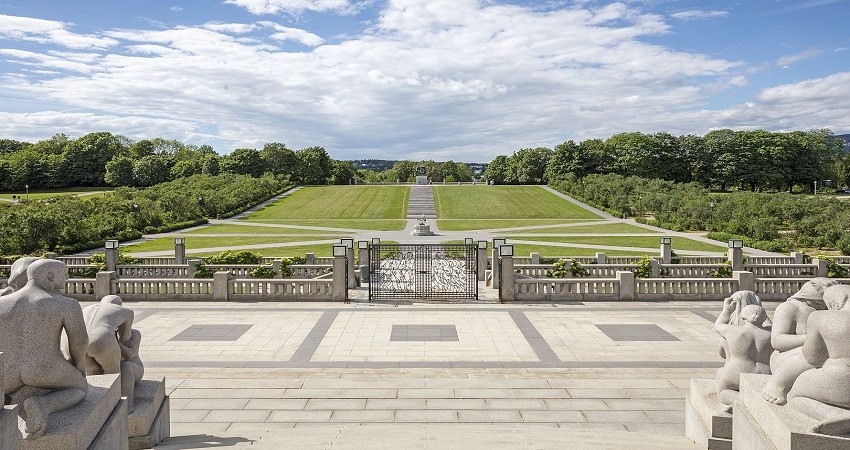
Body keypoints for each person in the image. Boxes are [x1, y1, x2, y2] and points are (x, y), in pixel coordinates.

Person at [0, 259, 88, 439]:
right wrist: (78, 365)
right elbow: (79, 341)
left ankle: (12, 395)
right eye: (64, 273)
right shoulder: (66, 304)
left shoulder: (2, 302)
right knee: (80, 387)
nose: (68, 278)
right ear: (50, 276)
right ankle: (43, 405)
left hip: (6, 373)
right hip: (42, 369)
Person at [762, 278, 839, 405]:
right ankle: (778, 385)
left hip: (816, 359)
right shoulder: (789, 307)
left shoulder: (826, 311)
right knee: (816, 351)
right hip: (787, 359)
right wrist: (811, 337)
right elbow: (777, 341)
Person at [787, 285, 850, 435]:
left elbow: (812, 357)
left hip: (840, 380)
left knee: (795, 394)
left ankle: (833, 415)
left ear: (835, 303)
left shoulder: (820, 317)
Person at [82, 295, 143, 412]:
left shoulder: (87, 309)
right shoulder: (125, 312)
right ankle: (107, 409)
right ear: (119, 306)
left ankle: (104, 408)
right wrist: (114, 338)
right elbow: (125, 336)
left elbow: (129, 355)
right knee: (110, 373)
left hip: (78, 341)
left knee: (94, 371)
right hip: (102, 338)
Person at [714, 300, 773, 410]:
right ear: (764, 318)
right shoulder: (771, 332)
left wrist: (727, 310)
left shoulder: (733, 331)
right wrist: (760, 310)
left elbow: (718, 325)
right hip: (765, 373)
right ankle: (754, 399)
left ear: (743, 318)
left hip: (737, 372)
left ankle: (740, 400)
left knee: (723, 391)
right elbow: (770, 324)